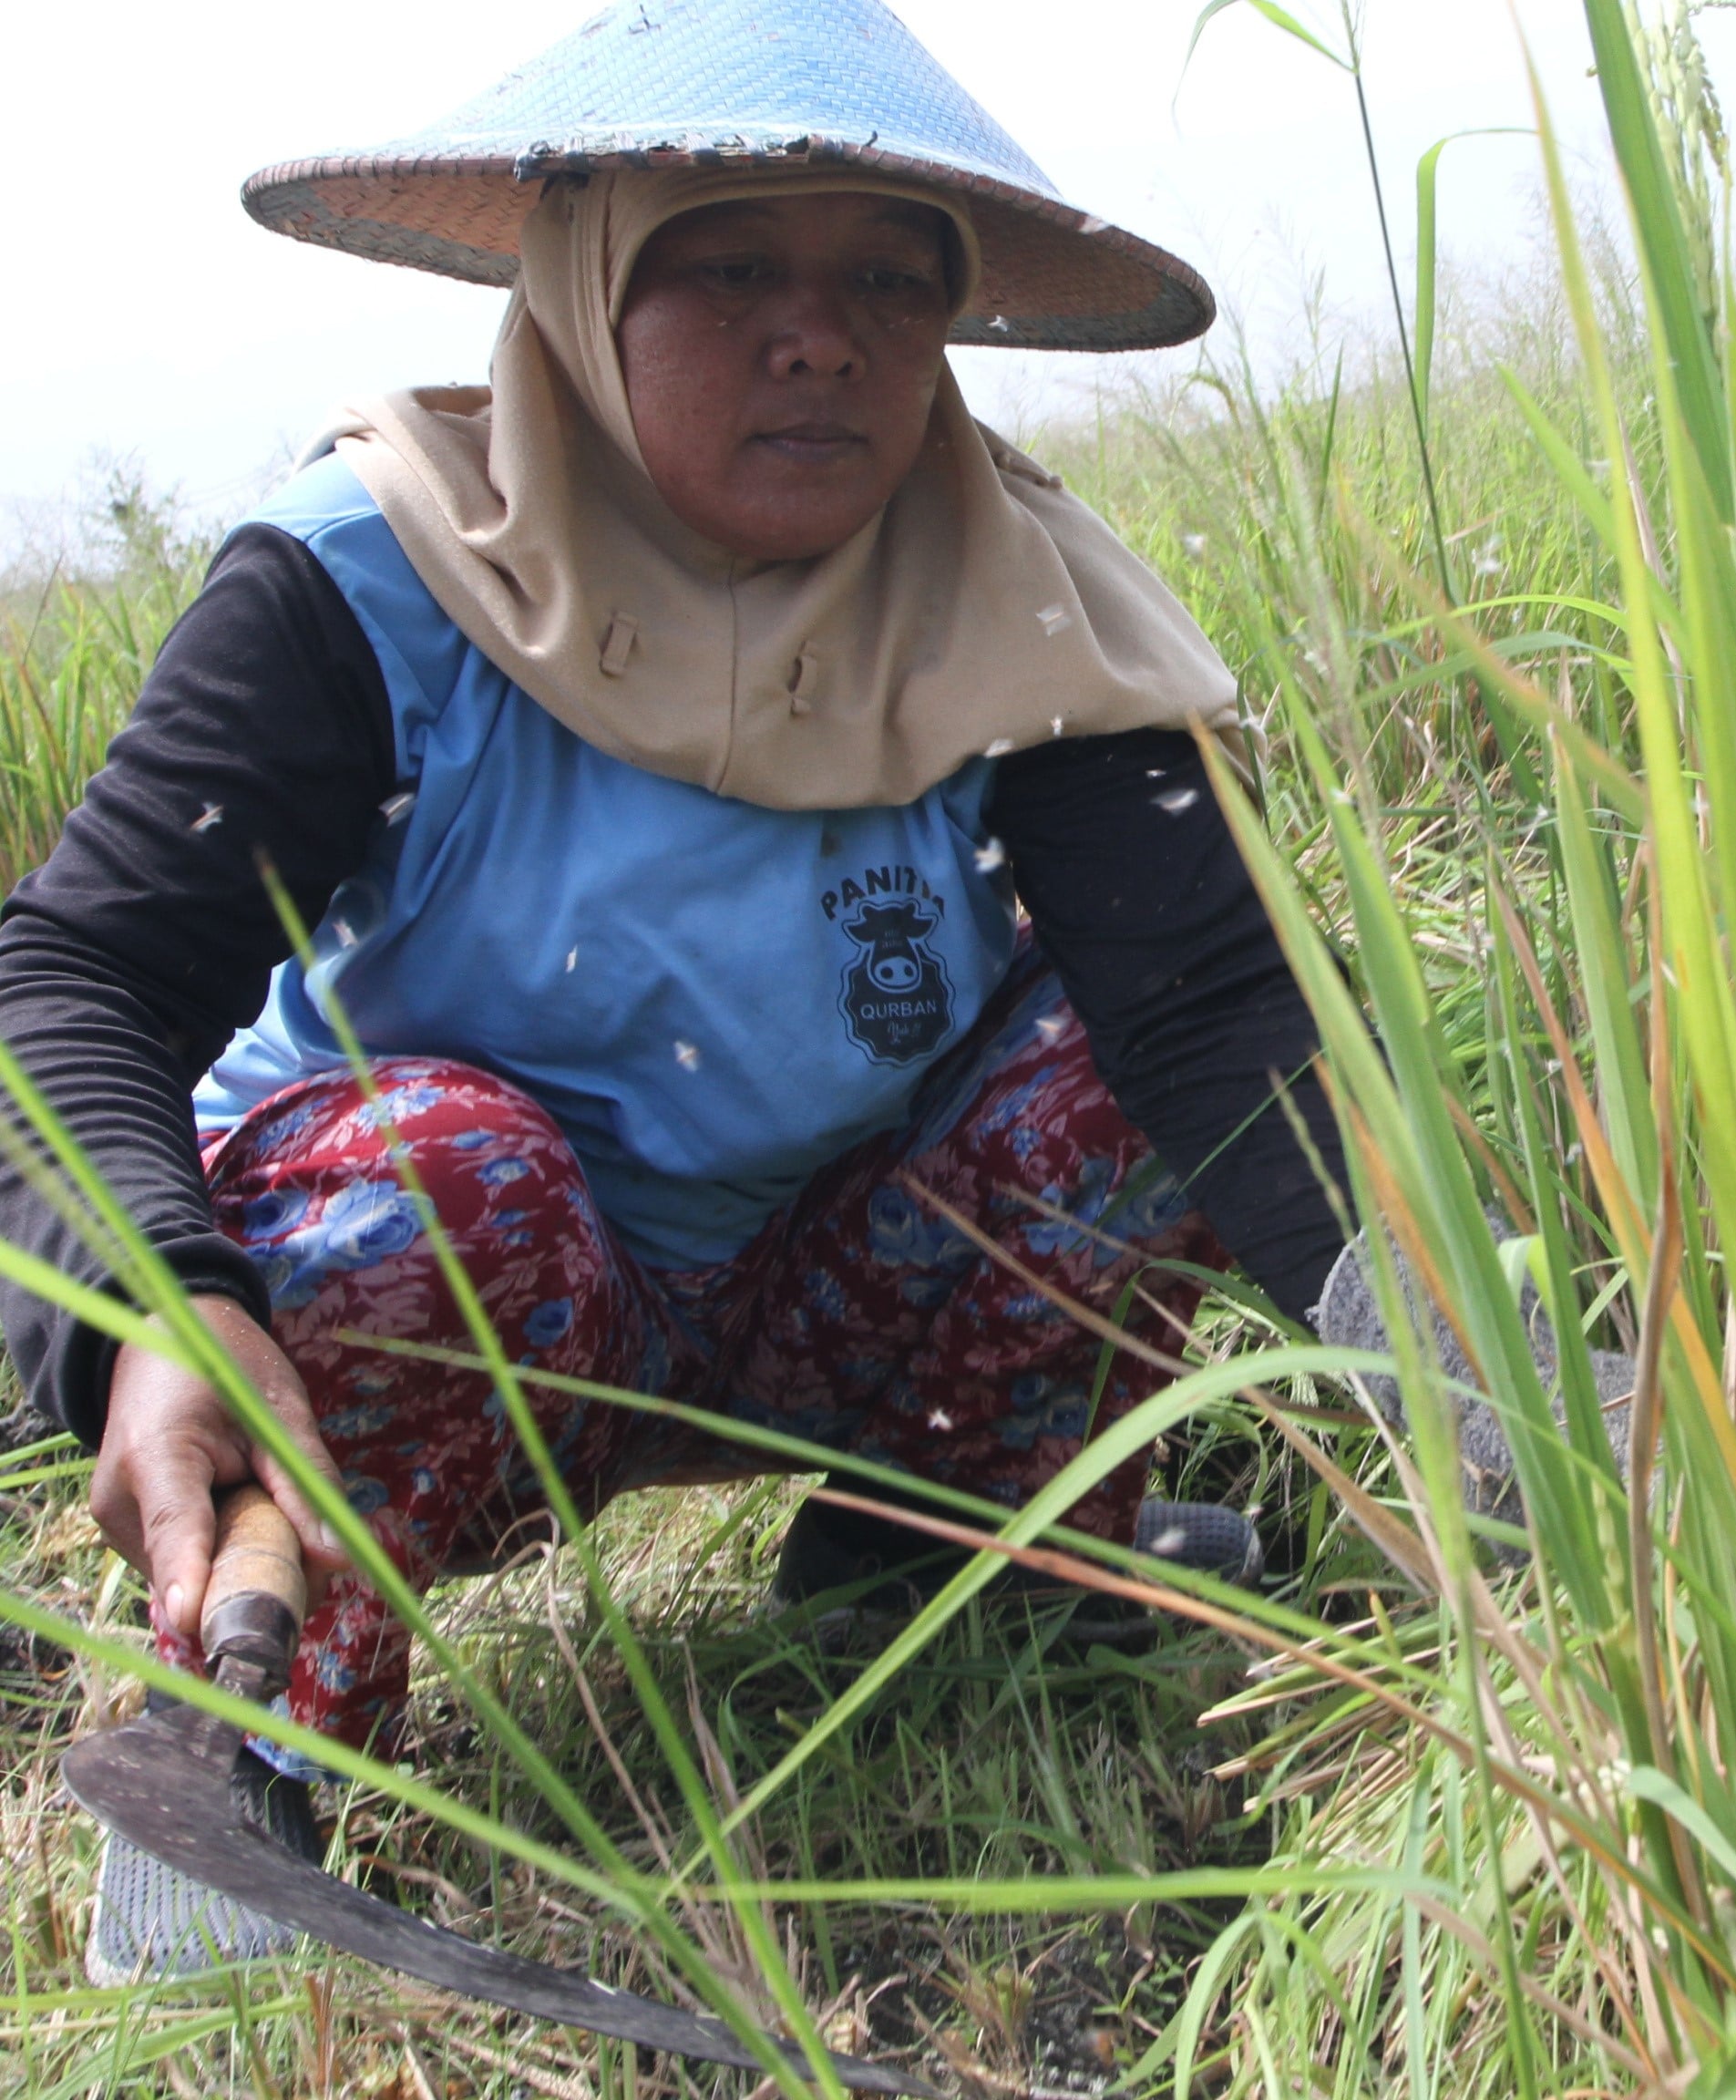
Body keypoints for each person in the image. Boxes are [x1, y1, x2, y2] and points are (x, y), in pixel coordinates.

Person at [0, 0, 1349, 1983]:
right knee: (448, 1178)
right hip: (464, 1298)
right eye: (729, 269)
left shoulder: (1022, 604)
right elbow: (74, 969)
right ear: (580, 282)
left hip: (833, 1272)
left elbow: (1230, 1016)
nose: (824, 336)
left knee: (1107, 1081)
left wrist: (1453, 1351)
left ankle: (947, 1562)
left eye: (891, 278)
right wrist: (148, 1301)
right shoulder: (372, 582)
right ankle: (257, 1732)